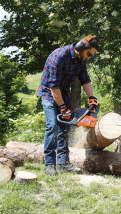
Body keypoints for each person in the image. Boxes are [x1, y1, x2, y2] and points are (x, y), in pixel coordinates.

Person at [36, 35, 99, 176]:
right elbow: (53, 87)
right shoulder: (58, 56)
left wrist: (92, 98)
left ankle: (63, 163)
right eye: (89, 53)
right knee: (52, 126)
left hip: (63, 93)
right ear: (81, 47)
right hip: (48, 93)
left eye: (91, 55)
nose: (89, 57)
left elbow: (85, 79)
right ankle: (50, 164)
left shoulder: (81, 60)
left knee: (65, 127)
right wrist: (63, 108)